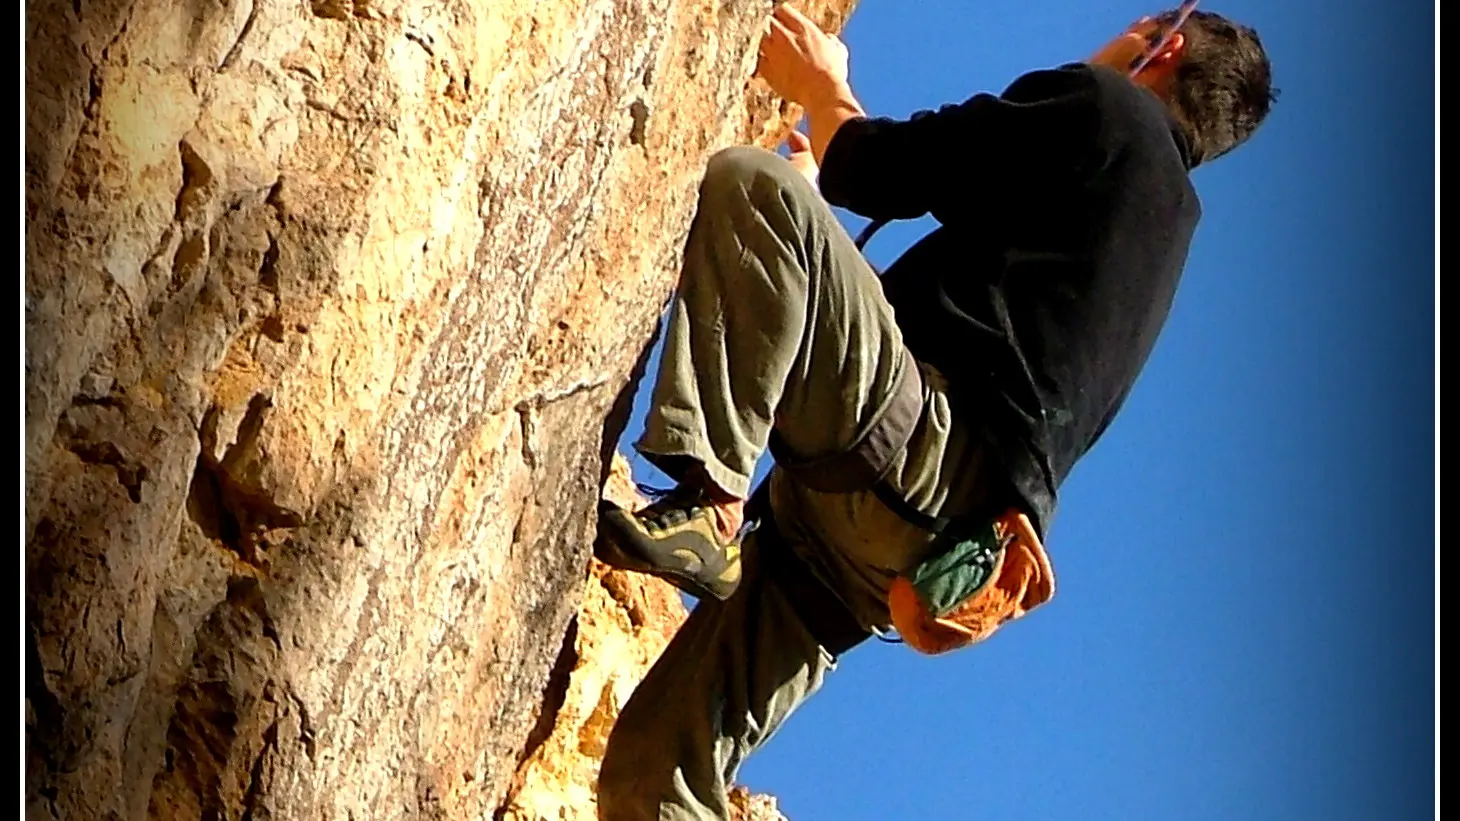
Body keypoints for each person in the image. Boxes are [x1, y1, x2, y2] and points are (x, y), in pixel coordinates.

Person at [592, 3, 1277, 819]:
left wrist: (822, 87)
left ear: (1161, 46)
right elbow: (973, 336)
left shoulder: (1107, 108)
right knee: (657, 773)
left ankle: (709, 503)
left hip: (914, 448)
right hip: (908, 552)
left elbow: (889, 168)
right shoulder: (1154, 235)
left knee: (756, 187)